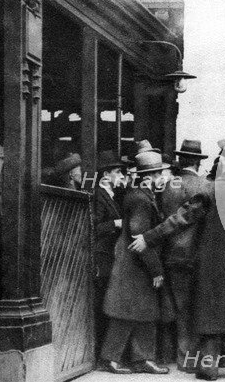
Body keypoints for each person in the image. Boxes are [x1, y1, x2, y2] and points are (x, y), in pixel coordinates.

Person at [128, 140, 225, 381]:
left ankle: (209, 368)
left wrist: (150, 237)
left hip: (212, 262)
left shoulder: (210, 190)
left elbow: (181, 218)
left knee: (212, 313)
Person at [100, 151, 174, 375]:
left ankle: (136, 359)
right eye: (160, 172)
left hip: (132, 265)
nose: (163, 176)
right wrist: (156, 269)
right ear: (150, 176)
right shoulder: (141, 199)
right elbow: (138, 235)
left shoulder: (140, 194)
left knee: (139, 313)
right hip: (136, 266)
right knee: (132, 313)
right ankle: (121, 359)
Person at [159, 139, 209, 372]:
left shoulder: (171, 184)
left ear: (180, 160)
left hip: (171, 253)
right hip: (198, 255)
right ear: (198, 162)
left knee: (177, 306)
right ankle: (193, 358)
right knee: (196, 306)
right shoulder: (204, 185)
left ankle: (179, 355)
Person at [93, 150, 126, 356]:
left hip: (108, 256)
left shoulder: (111, 195)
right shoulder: (98, 195)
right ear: (106, 176)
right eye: (118, 172)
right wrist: (115, 223)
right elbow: (93, 226)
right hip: (101, 257)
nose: (122, 177)